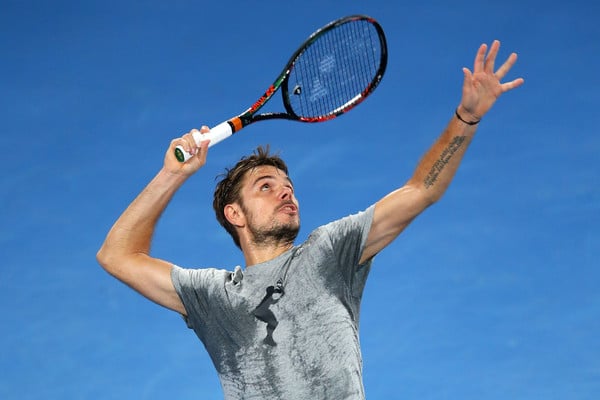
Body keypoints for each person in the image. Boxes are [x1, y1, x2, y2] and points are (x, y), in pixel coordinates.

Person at [97, 40, 524, 399]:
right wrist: (171, 175)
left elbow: (421, 190)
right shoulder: (212, 298)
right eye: (265, 186)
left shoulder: (330, 251)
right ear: (234, 215)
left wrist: (466, 117)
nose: (286, 191)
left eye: (288, 185)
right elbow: (116, 255)